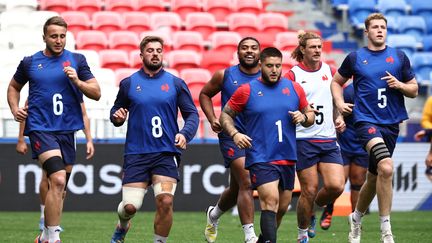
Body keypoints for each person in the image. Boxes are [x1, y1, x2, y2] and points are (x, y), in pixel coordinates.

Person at [7, 16, 101, 243]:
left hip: (68, 131)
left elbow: (96, 93)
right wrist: (14, 108)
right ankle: (53, 236)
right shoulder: (30, 62)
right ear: (44, 37)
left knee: (61, 189)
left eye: (62, 36)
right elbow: (13, 87)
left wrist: (78, 82)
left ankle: (44, 237)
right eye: (54, 36)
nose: (59, 40)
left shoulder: (77, 60)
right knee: (56, 179)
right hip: (41, 128)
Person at [331, 13, 418, 243]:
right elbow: (336, 82)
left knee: (373, 175)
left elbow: (414, 89)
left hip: (391, 123)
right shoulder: (356, 57)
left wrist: (399, 85)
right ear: (366, 32)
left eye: (383, 27)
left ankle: (356, 218)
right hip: (365, 121)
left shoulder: (399, 57)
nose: (380, 30)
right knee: (387, 168)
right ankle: (386, 230)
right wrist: (340, 104)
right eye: (375, 27)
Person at [109, 36, 199, 243]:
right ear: (141, 55)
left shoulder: (175, 83)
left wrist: (184, 134)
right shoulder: (129, 83)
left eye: (159, 50)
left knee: (165, 201)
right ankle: (122, 226)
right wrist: (117, 117)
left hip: (166, 152)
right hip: (137, 152)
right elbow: (116, 111)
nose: (155, 54)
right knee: (130, 207)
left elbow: (192, 115)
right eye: (150, 50)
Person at [220, 47, 315, 242]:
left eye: (278, 66)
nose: (274, 70)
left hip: (287, 156)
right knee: (270, 201)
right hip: (261, 156)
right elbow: (225, 114)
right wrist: (235, 133)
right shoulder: (247, 90)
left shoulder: (294, 88)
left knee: (281, 206)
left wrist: (304, 116)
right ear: (261, 65)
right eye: (269, 66)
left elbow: (311, 116)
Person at [285, 31, 345, 243]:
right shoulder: (293, 75)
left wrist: (339, 117)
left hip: (328, 139)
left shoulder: (331, 71)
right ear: (303, 50)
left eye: (320, 47)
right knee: (308, 190)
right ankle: (302, 235)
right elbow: (286, 103)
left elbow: (335, 99)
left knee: (337, 186)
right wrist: (298, 115)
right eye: (313, 47)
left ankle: (312, 210)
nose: (318, 50)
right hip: (303, 140)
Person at [199, 37, 261, 243]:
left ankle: (214, 214)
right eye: (245, 48)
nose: (249, 51)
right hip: (231, 135)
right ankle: (250, 236)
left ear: (259, 52)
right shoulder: (225, 75)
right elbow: (205, 94)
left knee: (236, 188)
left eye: (253, 48)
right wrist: (212, 119)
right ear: (238, 52)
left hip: (259, 138)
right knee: (246, 181)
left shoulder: (269, 75)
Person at [16, 101, 95, 232]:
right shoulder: (40, 86)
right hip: (45, 133)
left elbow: (83, 114)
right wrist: (21, 139)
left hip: (67, 136)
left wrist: (89, 140)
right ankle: (44, 218)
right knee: (49, 177)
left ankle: (53, 223)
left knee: (62, 185)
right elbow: (25, 111)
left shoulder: (73, 86)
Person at [319, 82, 369, 231]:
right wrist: (339, 118)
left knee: (358, 181)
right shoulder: (348, 91)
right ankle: (328, 210)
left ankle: (356, 220)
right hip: (345, 142)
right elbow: (336, 109)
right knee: (339, 182)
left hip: (364, 143)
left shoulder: (373, 88)